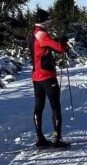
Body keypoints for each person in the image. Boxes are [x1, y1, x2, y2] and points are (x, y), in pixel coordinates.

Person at [27, 8, 70, 148]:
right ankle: (57, 139)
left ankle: (39, 138)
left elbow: (43, 48)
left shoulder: (31, 34)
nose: (49, 22)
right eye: (48, 20)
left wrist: (56, 41)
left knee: (38, 107)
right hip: (47, 76)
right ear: (43, 22)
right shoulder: (42, 35)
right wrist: (63, 42)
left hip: (36, 76)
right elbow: (59, 48)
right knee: (55, 107)